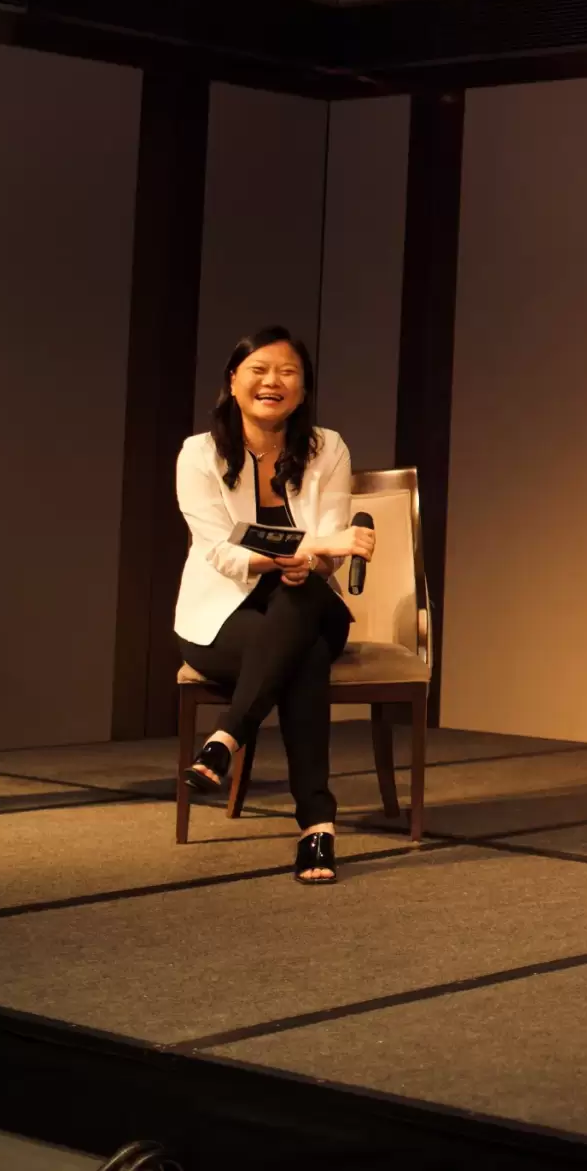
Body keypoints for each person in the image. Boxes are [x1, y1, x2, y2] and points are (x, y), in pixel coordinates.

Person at [173, 327, 375, 885]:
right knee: (303, 658)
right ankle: (317, 826)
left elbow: (328, 553)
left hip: (310, 599)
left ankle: (226, 737)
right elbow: (219, 551)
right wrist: (309, 550)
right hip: (220, 616)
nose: (272, 382)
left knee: (302, 599)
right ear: (233, 381)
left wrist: (312, 560)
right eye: (259, 370)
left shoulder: (328, 448)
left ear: (303, 389)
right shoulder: (198, 454)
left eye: (287, 372)